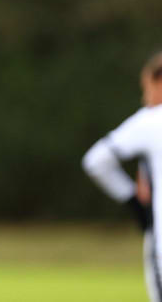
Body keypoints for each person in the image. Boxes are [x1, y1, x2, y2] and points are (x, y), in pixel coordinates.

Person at [82, 51, 162, 302]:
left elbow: (96, 160)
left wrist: (134, 203)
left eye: (146, 88)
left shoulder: (151, 121)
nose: (144, 97)